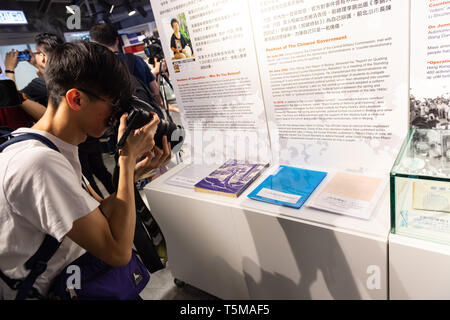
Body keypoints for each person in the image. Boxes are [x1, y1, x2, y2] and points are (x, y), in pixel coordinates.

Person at [0, 41, 171, 299]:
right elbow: (118, 251)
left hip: (79, 280)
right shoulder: (39, 163)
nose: (118, 116)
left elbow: (98, 214)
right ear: (76, 99)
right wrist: (125, 160)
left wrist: (133, 173)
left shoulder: (52, 145)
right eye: (113, 106)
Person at [89, 23, 165, 111]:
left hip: (124, 121)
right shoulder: (135, 60)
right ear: (117, 40)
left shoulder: (95, 68)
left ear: (94, 44)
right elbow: (155, 91)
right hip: (150, 115)